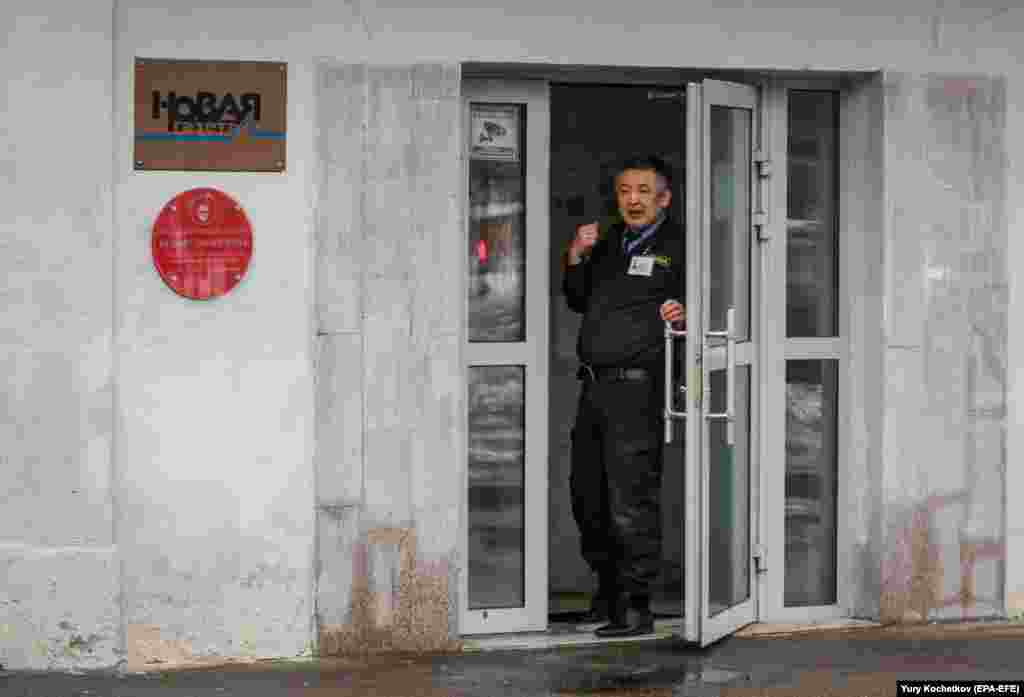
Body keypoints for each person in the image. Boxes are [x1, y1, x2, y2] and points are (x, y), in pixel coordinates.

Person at [562, 155, 686, 637]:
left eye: (642, 190)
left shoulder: (679, 245)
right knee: (588, 494)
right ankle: (607, 592)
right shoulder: (610, 241)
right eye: (624, 191)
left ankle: (634, 606)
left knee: (629, 498)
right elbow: (576, 296)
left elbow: (708, 302)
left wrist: (687, 313)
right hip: (595, 385)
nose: (632, 199)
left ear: (663, 198)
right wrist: (575, 253)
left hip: (638, 386)